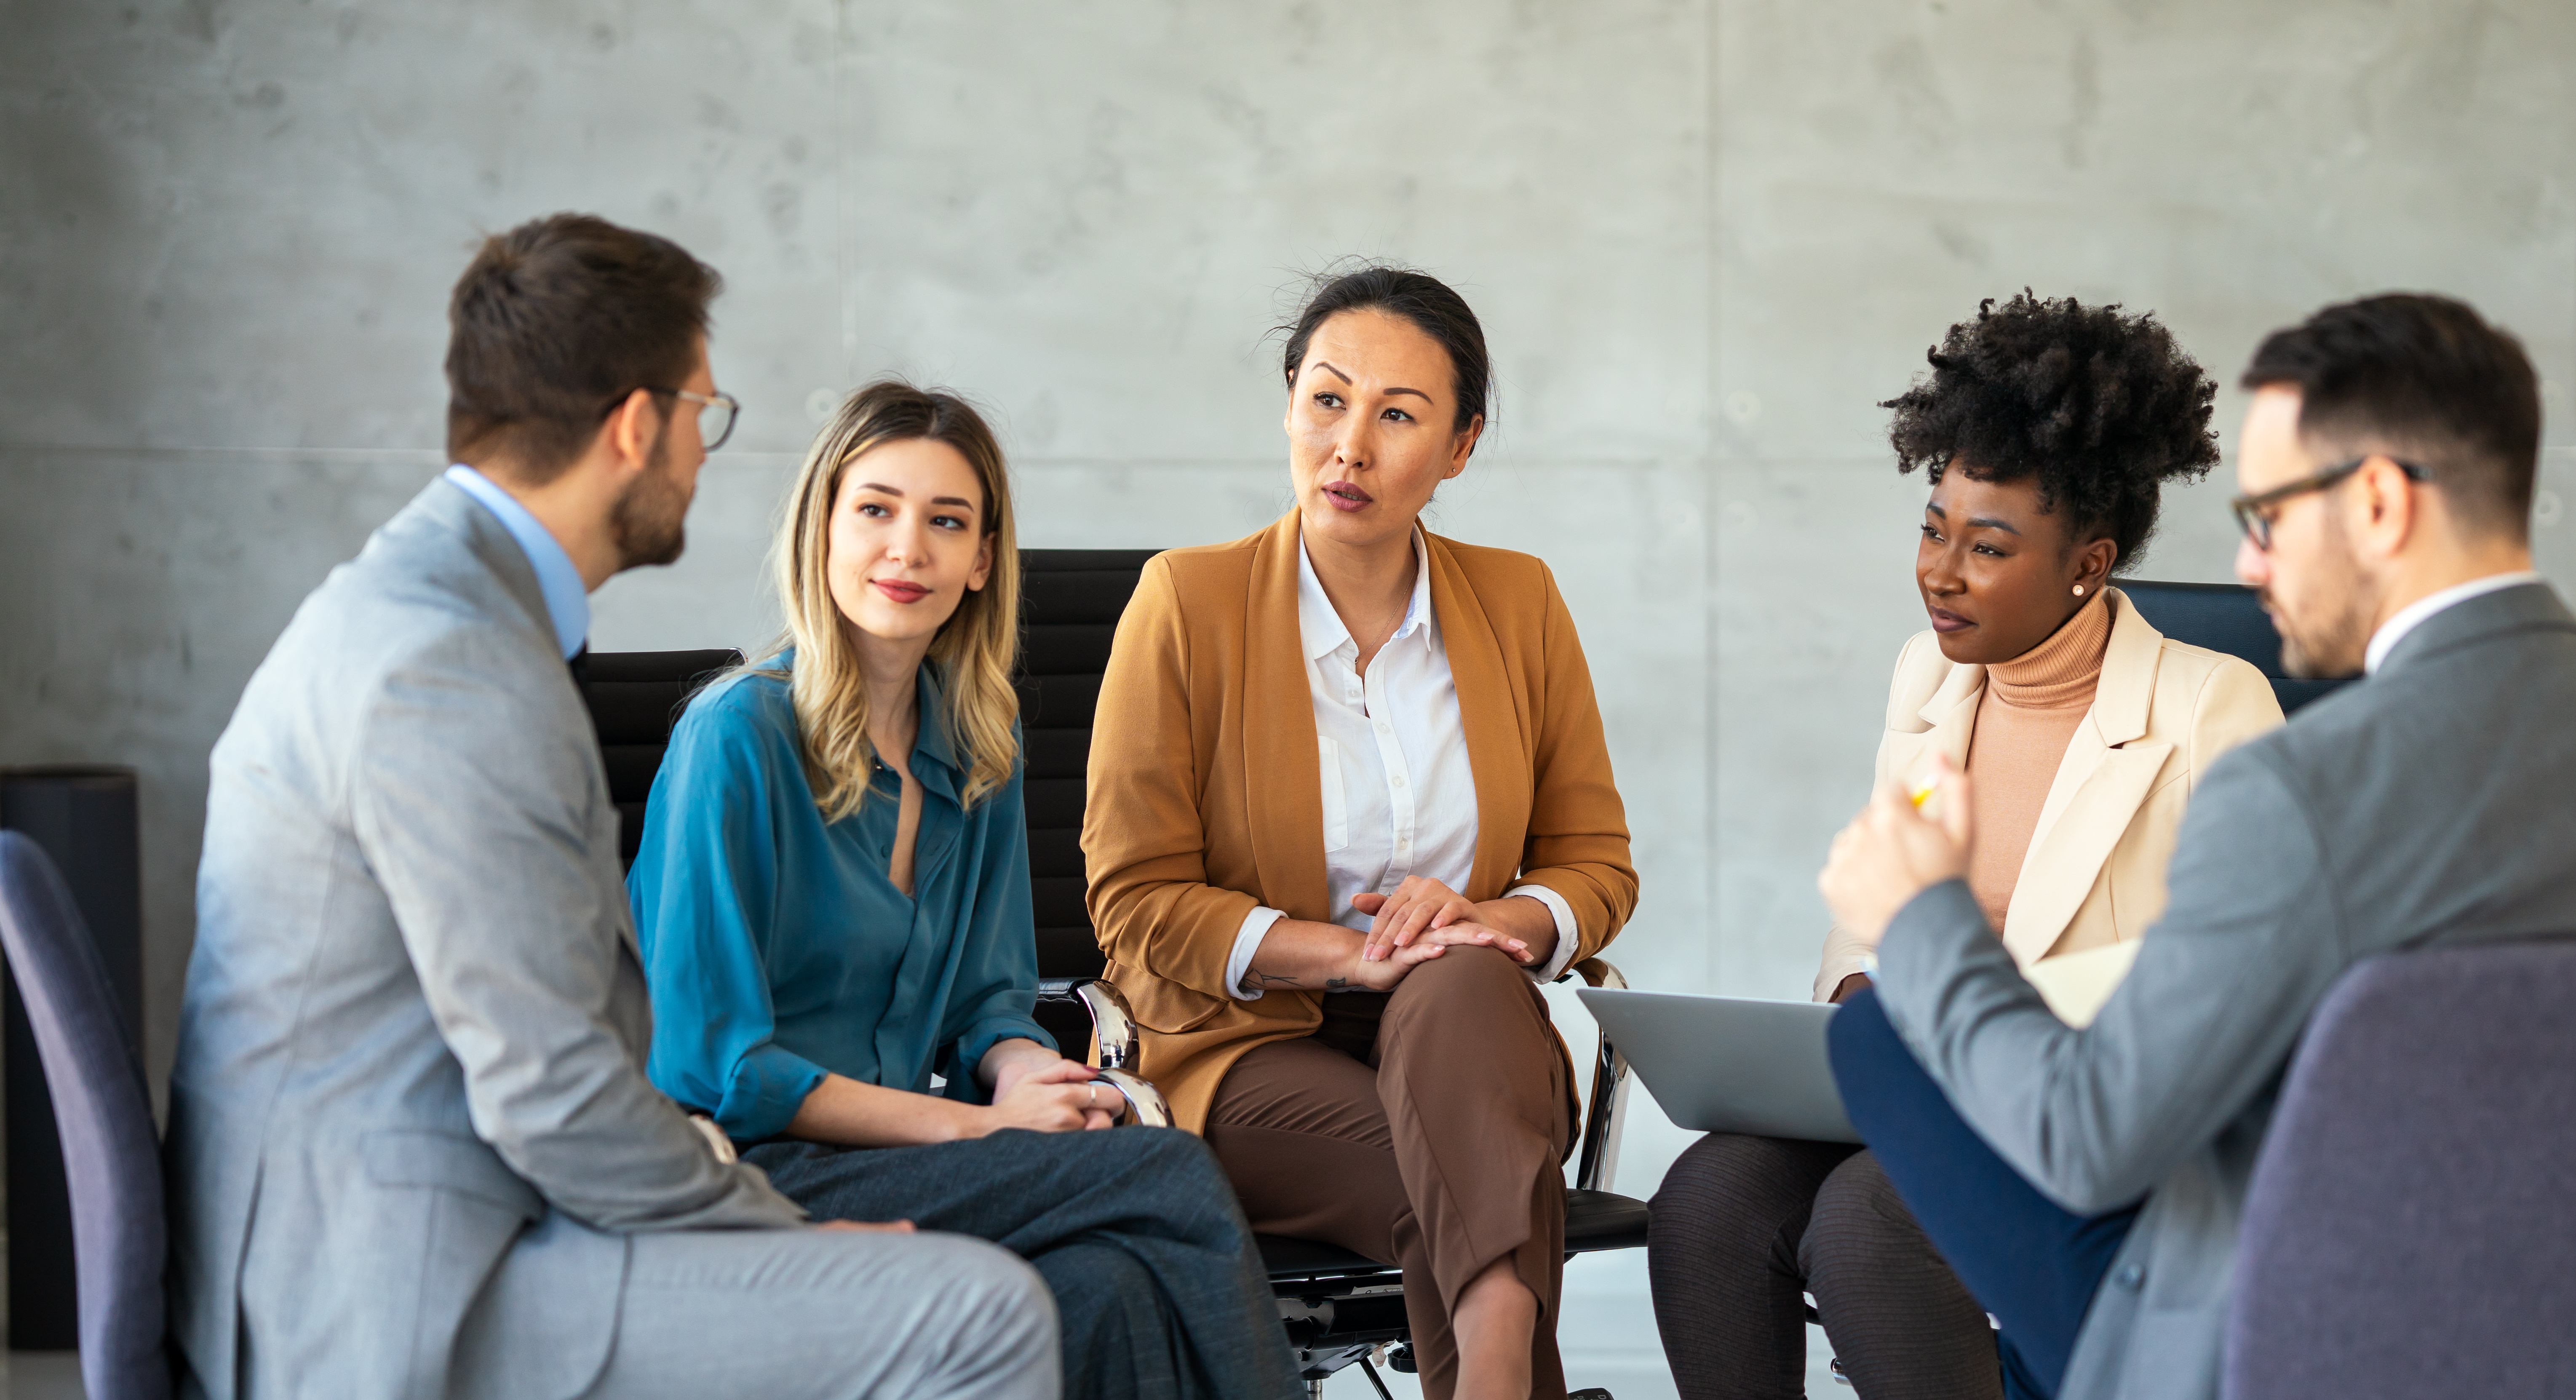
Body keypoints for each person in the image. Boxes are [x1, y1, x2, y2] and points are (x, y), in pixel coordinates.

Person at [1811, 292, 2576, 1400]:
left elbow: (2092, 1139)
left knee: (1880, 1053)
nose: (2249, 565)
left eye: (2269, 516)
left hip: (2300, 1339)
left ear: (2378, 503)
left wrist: (1926, 916)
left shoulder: (2299, 794)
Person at [165, 214, 1062, 1400]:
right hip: (398, 1285)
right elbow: (554, 1089)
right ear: (640, 426)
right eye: (705, 412)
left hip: (467, 1212)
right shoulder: (451, 665)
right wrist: (776, 1235)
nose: (703, 450)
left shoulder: (438, 604)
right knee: (980, 1312)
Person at [1645, 294, 2282, 1400]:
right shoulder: (1928, 678)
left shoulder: (2210, 707)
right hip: (1922, 1086)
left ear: (2090, 561)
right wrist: (1855, 988)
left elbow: (2232, 979)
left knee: (1865, 1218)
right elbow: (1877, 905)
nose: (1940, 571)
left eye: (1987, 548)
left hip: (2083, 1113)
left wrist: (1975, 1013)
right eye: (1934, 528)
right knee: (1707, 1194)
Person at [627, 379, 1302, 1400]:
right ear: (821, 531)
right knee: (1164, 1171)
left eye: (947, 522)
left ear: (983, 560)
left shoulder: (976, 741)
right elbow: (715, 1069)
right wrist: (979, 1128)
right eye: (876, 511)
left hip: (909, 1157)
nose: (909, 550)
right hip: (741, 1174)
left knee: (1104, 1286)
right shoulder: (736, 739)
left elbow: (988, 999)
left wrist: (1022, 1069)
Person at [1082, 265, 1638, 1400]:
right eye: (1327, 400)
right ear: (1289, 404)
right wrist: (1348, 950)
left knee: (1466, 984)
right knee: (1481, 1173)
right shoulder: (1185, 603)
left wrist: (1496, 918)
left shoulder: (1519, 602)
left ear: (1461, 447)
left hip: (1472, 1036)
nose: (1351, 445)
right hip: (1244, 1051)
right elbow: (1135, 897)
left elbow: (1596, 862)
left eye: (1398, 415)